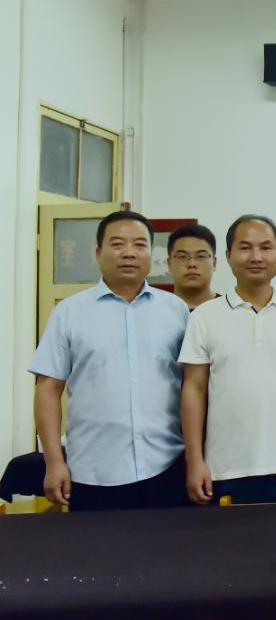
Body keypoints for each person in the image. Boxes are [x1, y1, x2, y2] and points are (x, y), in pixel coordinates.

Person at [30, 210, 189, 511]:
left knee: (169, 543)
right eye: (117, 244)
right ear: (97, 253)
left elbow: (192, 387)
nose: (129, 253)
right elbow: (47, 389)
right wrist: (54, 461)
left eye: (140, 244)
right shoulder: (69, 313)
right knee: (95, 544)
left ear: (151, 253)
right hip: (93, 472)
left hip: (167, 467)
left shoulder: (176, 311)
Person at [179, 214, 276, 505]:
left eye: (266, 247)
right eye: (245, 248)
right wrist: (194, 460)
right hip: (225, 468)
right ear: (228, 256)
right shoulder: (205, 316)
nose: (256, 257)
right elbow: (193, 389)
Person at [167, 223, 220, 310]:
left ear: (214, 263)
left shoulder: (231, 311)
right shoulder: (155, 312)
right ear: (169, 264)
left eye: (201, 256)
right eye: (182, 257)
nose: (192, 264)